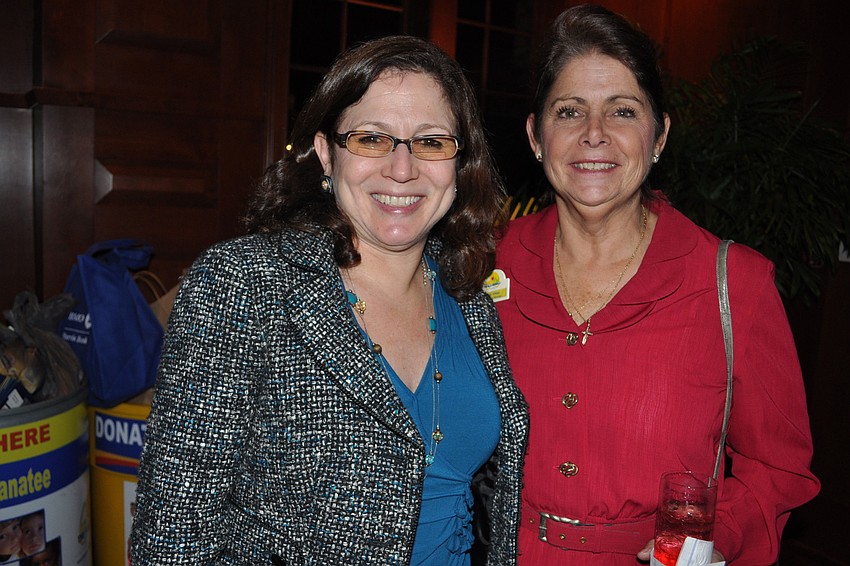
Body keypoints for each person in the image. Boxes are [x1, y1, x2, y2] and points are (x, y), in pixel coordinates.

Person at [129, 35, 529, 565]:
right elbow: (171, 538)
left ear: (460, 162)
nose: (402, 169)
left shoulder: (469, 291)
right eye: (371, 139)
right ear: (325, 153)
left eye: (430, 142)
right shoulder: (241, 284)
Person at [492, 5, 819, 565]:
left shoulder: (734, 283)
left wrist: (714, 538)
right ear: (536, 136)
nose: (594, 134)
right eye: (569, 111)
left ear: (660, 134)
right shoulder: (482, 266)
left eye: (623, 110)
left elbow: (779, 468)